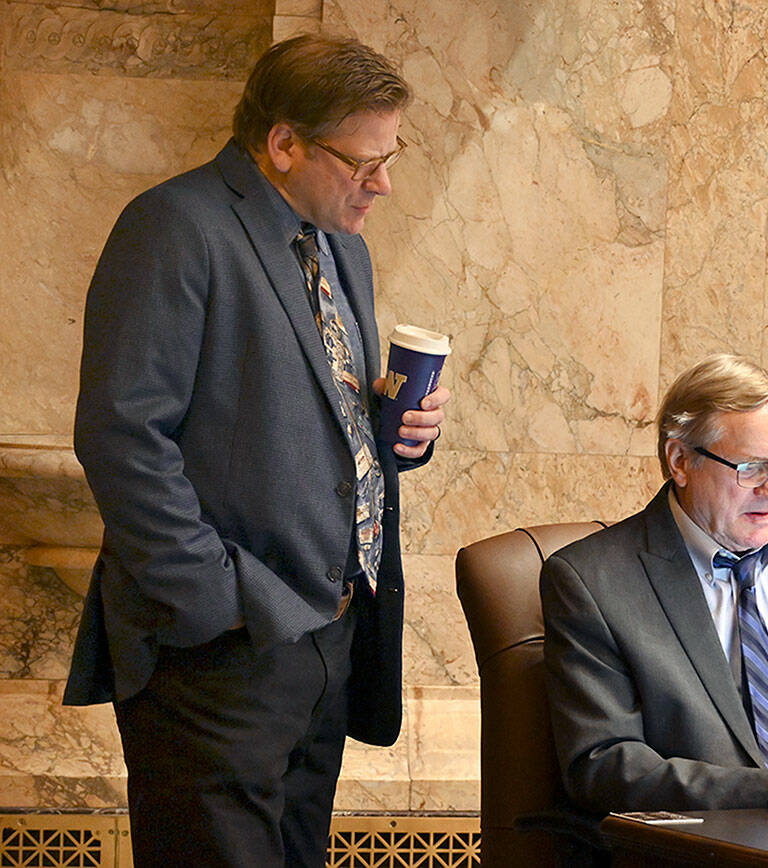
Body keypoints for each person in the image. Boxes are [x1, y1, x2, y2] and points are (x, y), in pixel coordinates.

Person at [62, 34, 448, 867]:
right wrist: (215, 602)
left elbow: (303, 413)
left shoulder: (341, 244)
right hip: (220, 652)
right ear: (283, 143)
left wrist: (397, 433)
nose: (383, 184)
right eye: (364, 162)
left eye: (391, 157)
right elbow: (122, 436)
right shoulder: (173, 226)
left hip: (328, 639)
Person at [541, 354, 768, 813]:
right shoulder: (592, 582)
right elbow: (603, 765)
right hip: (707, 835)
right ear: (680, 461)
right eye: (751, 468)